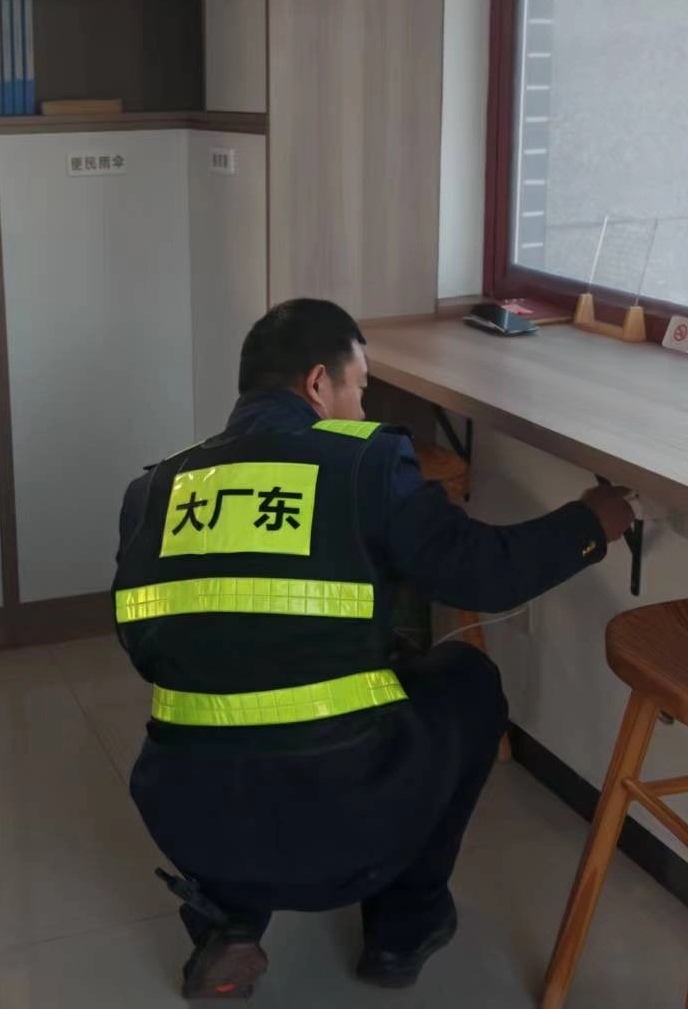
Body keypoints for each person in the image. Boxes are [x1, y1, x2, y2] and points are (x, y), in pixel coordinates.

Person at [112, 298, 635, 998]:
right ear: (317, 383)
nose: (362, 409)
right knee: (467, 681)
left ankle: (227, 920)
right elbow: (483, 572)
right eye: (360, 388)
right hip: (344, 831)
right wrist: (589, 524)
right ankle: (402, 929)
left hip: (189, 820)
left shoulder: (154, 490)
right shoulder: (364, 461)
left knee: (235, 721)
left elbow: (144, 643)